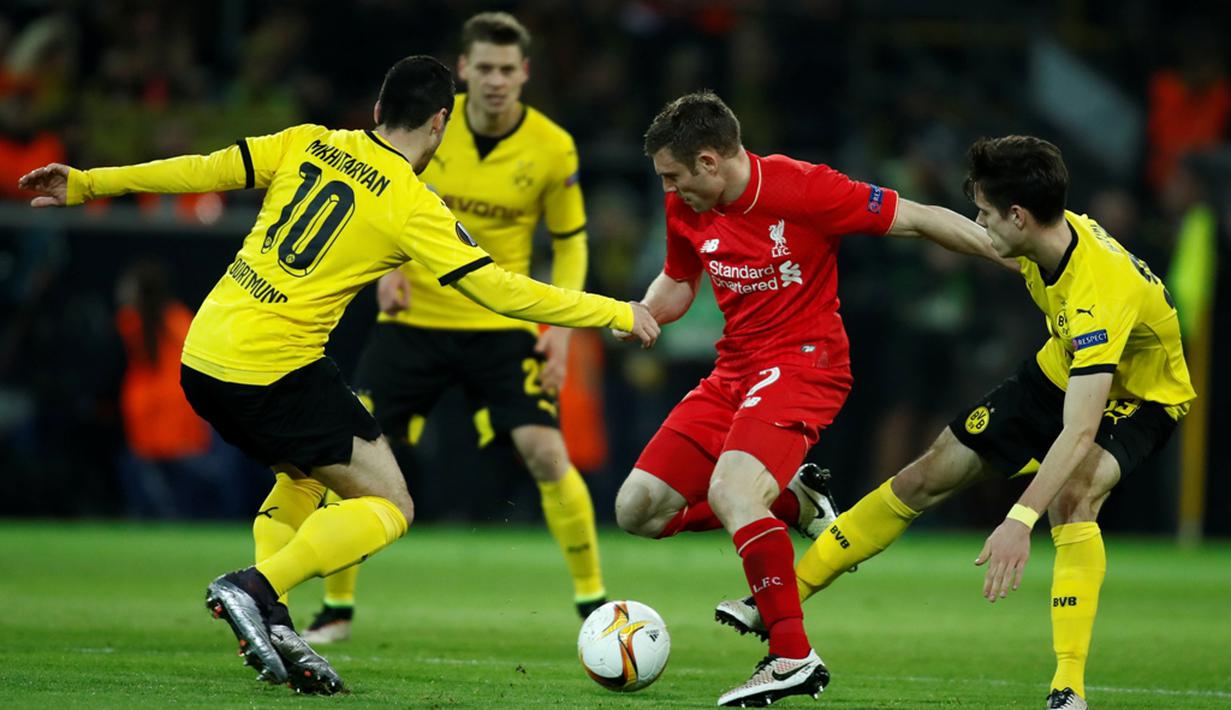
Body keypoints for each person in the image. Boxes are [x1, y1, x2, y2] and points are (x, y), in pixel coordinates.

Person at [18, 55, 658, 696]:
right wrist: (615, 312)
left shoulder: (308, 142)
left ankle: (273, 621)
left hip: (206, 354)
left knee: (299, 477)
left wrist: (87, 184)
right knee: (389, 503)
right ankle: (255, 587)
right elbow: (500, 291)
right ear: (440, 124)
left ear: (378, 110)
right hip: (274, 366)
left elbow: (203, 168)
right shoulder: (413, 204)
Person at [715, 136, 1194, 710]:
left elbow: (1080, 430)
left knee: (1073, 493)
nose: (979, 222)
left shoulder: (1098, 292)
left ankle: (1069, 688)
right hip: (1061, 366)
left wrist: (1019, 518)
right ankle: (780, 598)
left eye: (986, 213)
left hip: (1144, 395)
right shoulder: (1042, 240)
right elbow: (954, 231)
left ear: (1017, 216)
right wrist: (908, 219)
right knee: (927, 473)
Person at [611, 91, 1005, 707]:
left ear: (711, 162)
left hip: (804, 363)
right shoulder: (682, 202)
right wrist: (635, 311)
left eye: (674, 175)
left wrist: (1021, 253)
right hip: (734, 370)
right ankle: (794, 503)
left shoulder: (804, 189)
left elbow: (920, 217)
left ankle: (793, 657)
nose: (669, 188)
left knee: (732, 493)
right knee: (637, 509)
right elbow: (681, 280)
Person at [304, 13, 608, 645]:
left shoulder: (553, 147)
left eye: (508, 69)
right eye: (484, 68)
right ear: (463, 70)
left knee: (547, 452)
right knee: (353, 457)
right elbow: (369, 203)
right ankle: (335, 609)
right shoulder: (426, 128)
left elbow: (572, 243)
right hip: (414, 322)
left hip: (502, 326)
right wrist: (380, 274)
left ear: (525, 73)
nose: (496, 81)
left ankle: (594, 605)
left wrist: (560, 326)